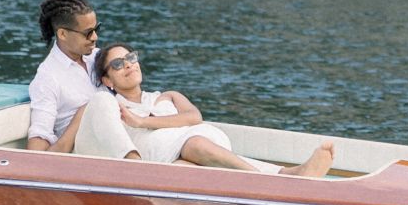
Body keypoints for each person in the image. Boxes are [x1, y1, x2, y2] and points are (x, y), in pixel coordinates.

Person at [80, 45, 335, 176]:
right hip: (161, 157)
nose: (128, 65)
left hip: (199, 141)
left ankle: (281, 178)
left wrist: (143, 122)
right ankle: (284, 176)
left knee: (195, 148)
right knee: (188, 163)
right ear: (108, 80)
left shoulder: (167, 96)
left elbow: (194, 117)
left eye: (131, 58)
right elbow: (98, 132)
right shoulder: (110, 104)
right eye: (118, 63)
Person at [26, 0, 100, 151]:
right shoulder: (48, 77)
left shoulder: (99, 57)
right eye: (88, 33)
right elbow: (41, 134)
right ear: (62, 34)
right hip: (90, 152)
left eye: (96, 29)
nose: (95, 37)